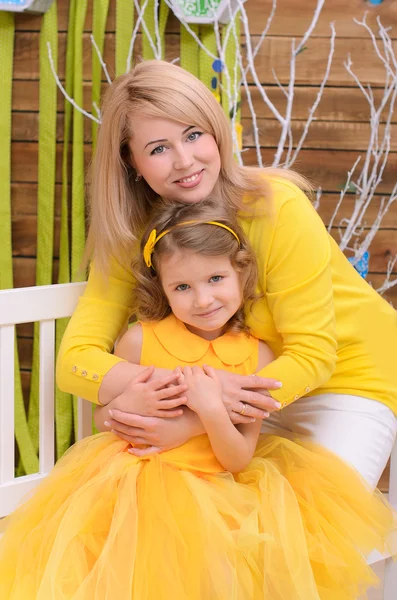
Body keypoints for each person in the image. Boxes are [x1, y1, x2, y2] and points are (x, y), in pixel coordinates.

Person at [0, 200, 395, 599]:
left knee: (229, 564)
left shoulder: (256, 357)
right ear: (163, 290)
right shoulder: (140, 340)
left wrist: (209, 411)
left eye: (216, 279)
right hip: (132, 487)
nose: (202, 300)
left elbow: (239, 457)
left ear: (242, 273)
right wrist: (127, 405)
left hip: (217, 489)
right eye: (182, 287)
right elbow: (105, 421)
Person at [56, 59, 397, 489]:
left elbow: (313, 355)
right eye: (159, 148)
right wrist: (175, 390)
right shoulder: (133, 234)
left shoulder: (277, 207)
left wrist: (201, 412)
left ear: (216, 131)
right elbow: (74, 362)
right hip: (239, 394)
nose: (184, 161)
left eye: (194, 135)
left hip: (344, 379)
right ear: (131, 162)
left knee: (313, 522)